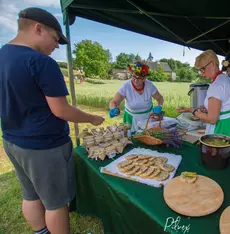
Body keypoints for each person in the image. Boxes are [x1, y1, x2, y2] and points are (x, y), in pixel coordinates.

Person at [0, 7, 105, 234]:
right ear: (38, 29)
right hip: (44, 146)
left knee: (30, 194)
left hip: (11, 140)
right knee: (56, 203)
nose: (56, 46)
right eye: (56, 39)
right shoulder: (42, 62)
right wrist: (93, 118)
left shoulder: (2, 54)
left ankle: (42, 232)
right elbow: (61, 110)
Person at [178, 49, 230, 163]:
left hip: (224, 128)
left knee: (220, 161)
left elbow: (212, 119)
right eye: (200, 70)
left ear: (213, 64)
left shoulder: (217, 85)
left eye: (203, 69)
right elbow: (227, 104)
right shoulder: (225, 78)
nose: (202, 73)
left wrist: (192, 110)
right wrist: (209, 108)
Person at [109, 62, 164, 132]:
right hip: (131, 119)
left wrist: (160, 106)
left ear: (144, 78)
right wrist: (113, 109)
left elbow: (160, 98)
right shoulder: (126, 86)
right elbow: (113, 102)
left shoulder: (149, 86)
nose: (135, 80)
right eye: (134, 76)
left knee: (147, 138)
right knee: (131, 139)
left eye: (139, 78)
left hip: (148, 119)